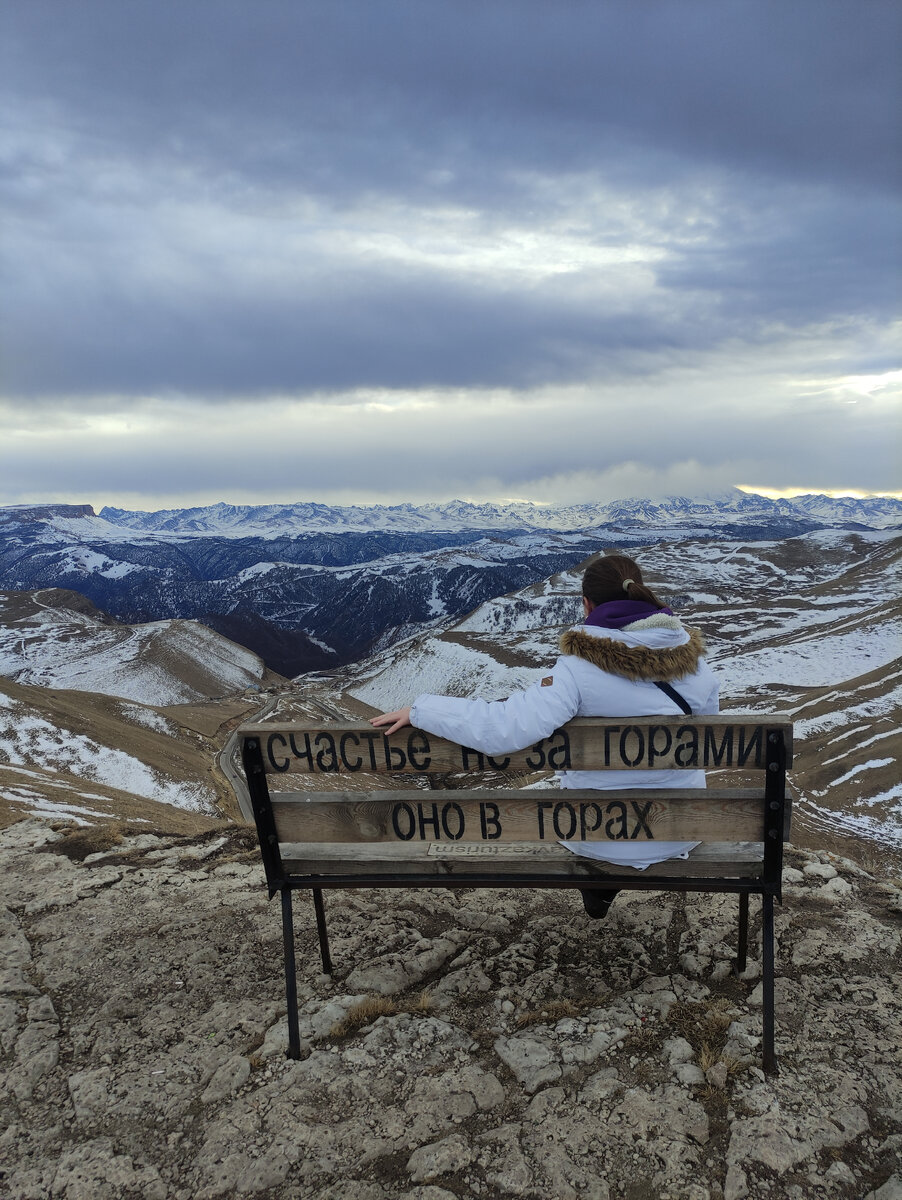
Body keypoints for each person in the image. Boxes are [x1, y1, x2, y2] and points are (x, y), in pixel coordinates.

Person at [370, 552, 719, 918]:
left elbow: (502, 729)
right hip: (679, 829)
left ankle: (599, 886)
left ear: (586, 604)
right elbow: (707, 737)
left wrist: (421, 711)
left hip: (598, 836)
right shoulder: (696, 665)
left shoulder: (577, 670)